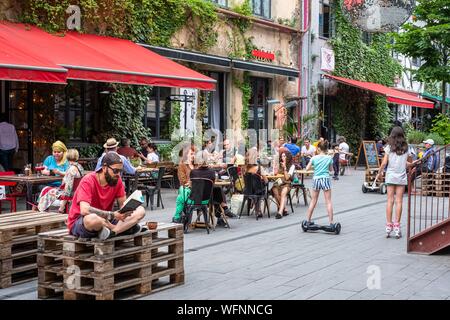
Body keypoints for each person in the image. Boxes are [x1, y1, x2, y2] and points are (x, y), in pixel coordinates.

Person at [67, 152, 146, 240]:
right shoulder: (88, 180)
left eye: (120, 171)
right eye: (116, 171)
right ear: (104, 168)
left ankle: (113, 232)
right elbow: (84, 210)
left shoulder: (117, 179)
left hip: (107, 220)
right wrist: (112, 215)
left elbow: (122, 205)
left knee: (140, 210)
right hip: (82, 221)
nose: (118, 174)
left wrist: (128, 209)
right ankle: (123, 229)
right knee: (92, 219)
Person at [376, 126, 412, 239]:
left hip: (390, 176)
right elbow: (409, 163)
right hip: (401, 176)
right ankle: (397, 226)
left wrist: (379, 173)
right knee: (399, 201)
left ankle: (388, 226)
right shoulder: (407, 147)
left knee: (390, 200)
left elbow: (384, 163)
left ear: (392, 135)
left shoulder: (389, 147)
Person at [37, 149, 85, 213]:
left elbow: (68, 190)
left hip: (69, 195)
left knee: (45, 189)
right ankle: (41, 209)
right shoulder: (80, 167)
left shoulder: (71, 170)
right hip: (76, 193)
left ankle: (41, 210)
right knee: (46, 189)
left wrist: (62, 206)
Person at [304, 140, 335, 228]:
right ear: (326, 149)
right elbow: (331, 170)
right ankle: (331, 222)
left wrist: (315, 167)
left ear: (318, 148)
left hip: (316, 179)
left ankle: (308, 220)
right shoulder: (329, 158)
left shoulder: (314, 158)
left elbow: (307, 169)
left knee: (313, 201)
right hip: (325, 179)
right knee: (328, 201)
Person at [172, 147, 195, 223]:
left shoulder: (197, 164)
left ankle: (177, 216)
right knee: (182, 189)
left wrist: (192, 182)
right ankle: (178, 215)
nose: (193, 155)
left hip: (199, 189)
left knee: (181, 194)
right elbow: (183, 181)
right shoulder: (182, 165)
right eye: (191, 154)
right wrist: (192, 183)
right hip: (187, 188)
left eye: (194, 153)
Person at [271, 149, 296, 219]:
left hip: (287, 183)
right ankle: (283, 209)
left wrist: (285, 168)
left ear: (288, 157)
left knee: (283, 192)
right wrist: (274, 167)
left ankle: (280, 212)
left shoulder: (292, 166)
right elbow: (275, 175)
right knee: (274, 190)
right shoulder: (279, 164)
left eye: (284, 156)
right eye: (282, 156)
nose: (283, 158)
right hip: (278, 182)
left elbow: (287, 178)